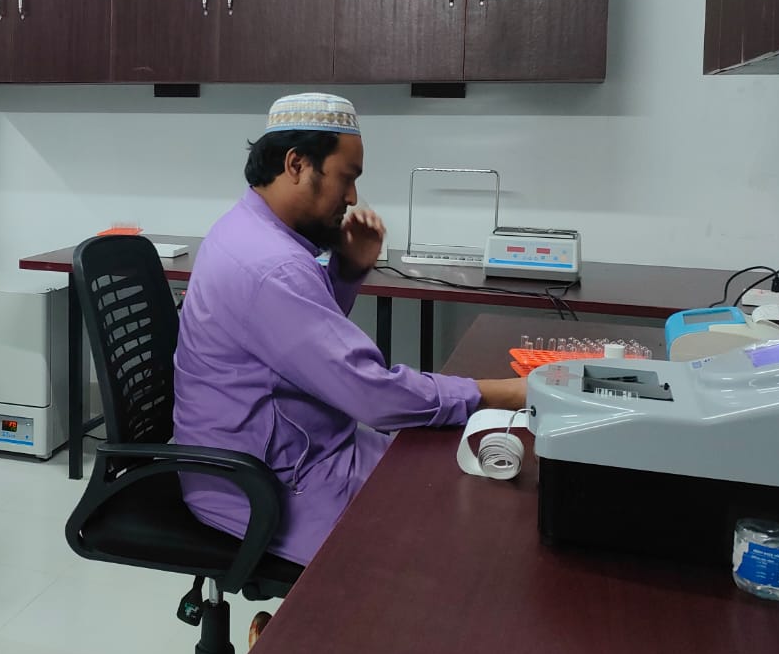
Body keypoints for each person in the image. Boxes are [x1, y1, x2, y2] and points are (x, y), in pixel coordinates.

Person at [173, 92, 528, 580]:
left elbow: (297, 346)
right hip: (265, 483)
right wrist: (503, 393)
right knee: (464, 541)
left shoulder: (248, 228)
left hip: (290, 450)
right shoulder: (273, 265)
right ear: (297, 165)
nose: (353, 197)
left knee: (456, 478)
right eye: (347, 177)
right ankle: (314, 628)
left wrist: (346, 270)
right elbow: (371, 395)